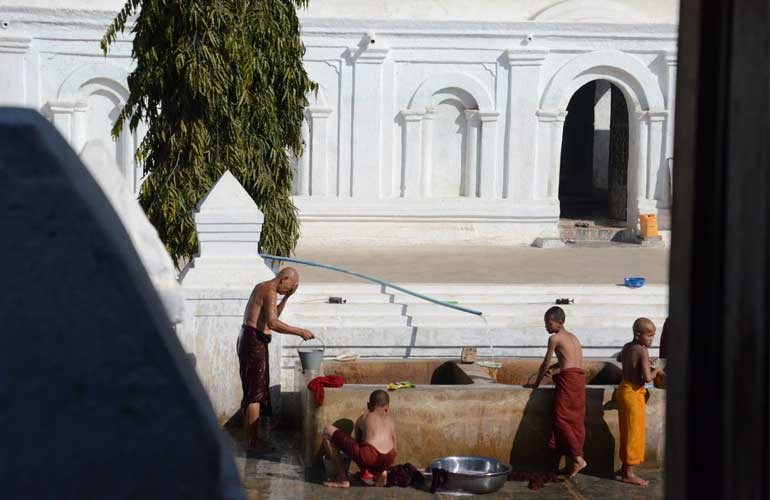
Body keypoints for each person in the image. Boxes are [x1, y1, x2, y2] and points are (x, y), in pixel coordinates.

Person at [238, 267, 314, 453]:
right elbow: (273, 323)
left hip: (252, 341)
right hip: (253, 342)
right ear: (284, 278)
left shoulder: (266, 289)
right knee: (255, 394)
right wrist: (300, 331)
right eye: (288, 288)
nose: (286, 291)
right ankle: (252, 443)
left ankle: (250, 440)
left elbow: (272, 316)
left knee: (254, 391)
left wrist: (287, 298)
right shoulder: (269, 290)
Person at [528, 306, 587, 478]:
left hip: (569, 380)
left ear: (560, 323)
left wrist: (536, 383)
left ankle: (577, 458)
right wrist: (556, 369)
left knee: (561, 418)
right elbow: (569, 360)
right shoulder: (574, 338)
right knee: (575, 420)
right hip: (578, 379)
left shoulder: (555, 338)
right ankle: (572, 462)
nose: (546, 326)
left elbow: (546, 363)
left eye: (549, 322)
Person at [615, 317, 664, 486]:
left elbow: (620, 359)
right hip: (634, 394)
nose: (651, 340)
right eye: (649, 336)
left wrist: (637, 363)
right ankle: (629, 473)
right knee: (634, 433)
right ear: (638, 334)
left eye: (653, 336)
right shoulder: (643, 351)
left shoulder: (627, 347)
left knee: (626, 430)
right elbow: (648, 378)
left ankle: (624, 469)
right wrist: (656, 370)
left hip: (623, 389)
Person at [322, 390, 397, 488]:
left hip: (370, 455)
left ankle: (343, 479)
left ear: (368, 405)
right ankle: (382, 471)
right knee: (373, 455)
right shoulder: (391, 420)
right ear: (387, 407)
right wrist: (387, 466)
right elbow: (395, 446)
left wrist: (363, 470)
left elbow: (358, 445)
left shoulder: (364, 417)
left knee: (327, 430)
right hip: (389, 458)